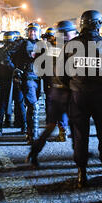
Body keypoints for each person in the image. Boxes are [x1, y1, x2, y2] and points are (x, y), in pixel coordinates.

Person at [59, 10, 102, 188]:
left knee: (80, 135)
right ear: (99, 24)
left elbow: (61, 75)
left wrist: (74, 85)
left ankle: (81, 173)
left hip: (78, 96)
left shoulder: (70, 46)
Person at [26, 20, 78, 167]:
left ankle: (34, 152)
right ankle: (80, 154)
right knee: (75, 126)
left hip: (55, 91)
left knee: (50, 126)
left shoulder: (52, 47)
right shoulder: (69, 48)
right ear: (68, 33)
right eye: (72, 32)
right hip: (67, 91)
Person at [10, 23, 43, 144]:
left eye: (35, 31)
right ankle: (34, 136)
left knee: (31, 107)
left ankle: (30, 133)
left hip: (38, 79)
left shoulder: (42, 44)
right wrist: (15, 68)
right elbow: (6, 54)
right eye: (30, 31)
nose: (32, 33)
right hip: (28, 78)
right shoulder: (21, 44)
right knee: (34, 106)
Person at [0, 31, 18, 136]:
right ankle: (23, 126)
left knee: (1, 105)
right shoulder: (16, 52)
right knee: (20, 103)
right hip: (15, 80)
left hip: (3, 80)